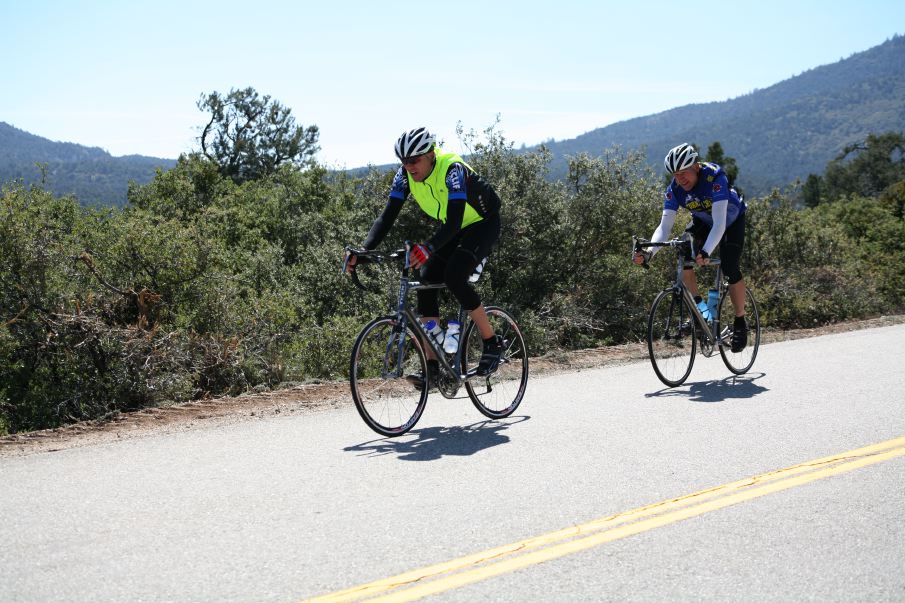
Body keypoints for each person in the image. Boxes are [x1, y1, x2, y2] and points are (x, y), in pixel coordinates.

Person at [345, 127, 504, 386]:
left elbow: (454, 221)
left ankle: (492, 341)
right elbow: (387, 217)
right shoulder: (404, 176)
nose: (408, 167)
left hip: (482, 224)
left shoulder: (452, 170)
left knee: (455, 275)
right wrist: (363, 252)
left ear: (430, 154)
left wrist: (428, 247)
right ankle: (432, 367)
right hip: (454, 228)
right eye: (403, 162)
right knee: (426, 279)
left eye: (414, 160)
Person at [632, 142, 749, 352]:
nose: (680, 179)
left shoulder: (714, 177)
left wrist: (706, 251)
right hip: (704, 221)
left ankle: (740, 321)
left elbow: (720, 223)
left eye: (684, 173)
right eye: (675, 175)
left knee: (730, 267)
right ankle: (700, 311)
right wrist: (649, 253)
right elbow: (664, 227)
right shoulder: (675, 189)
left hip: (731, 219)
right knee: (682, 250)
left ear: (696, 166)